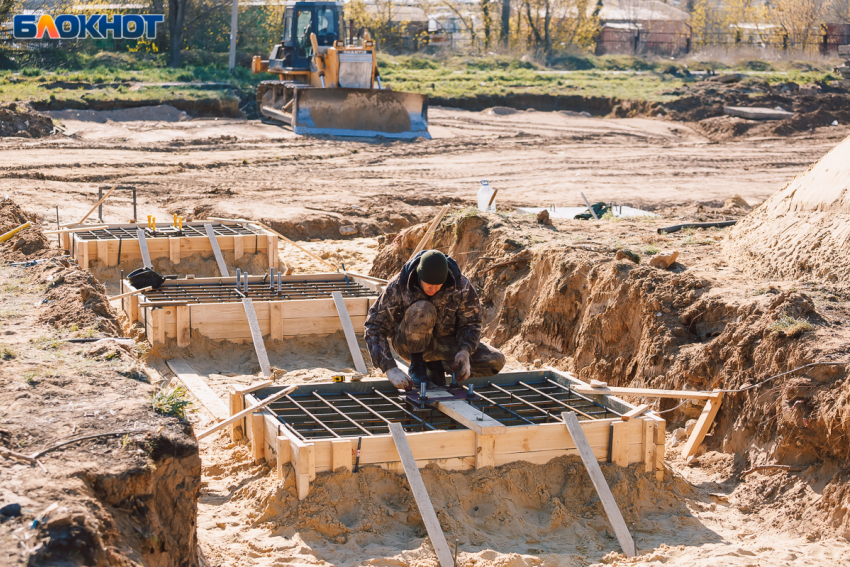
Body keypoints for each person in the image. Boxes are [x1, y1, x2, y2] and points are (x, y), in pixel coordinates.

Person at [364, 249, 506, 390]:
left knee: (495, 360)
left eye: (438, 286)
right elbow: (374, 326)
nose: (433, 290)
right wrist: (389, 368)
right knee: (423, 309)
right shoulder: (399, 285)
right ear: (419, 276)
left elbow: (471, 323)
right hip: (408, 346)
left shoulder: (461, 286)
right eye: (429, 285)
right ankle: (418, 366)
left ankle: (435, 366)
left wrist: (465, 351)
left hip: (444, 346)